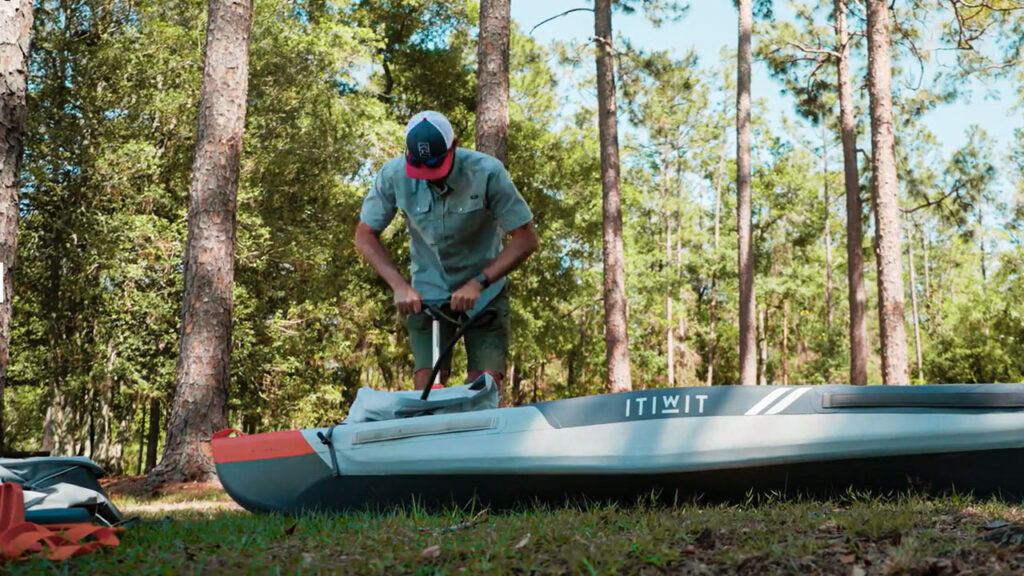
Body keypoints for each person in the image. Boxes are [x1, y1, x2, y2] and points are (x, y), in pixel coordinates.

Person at [355, 110, 539, 393]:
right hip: (427, 296)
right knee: (429, 385)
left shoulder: (487, 172)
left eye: (436, 165)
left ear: (454, 146)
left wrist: (479, 282)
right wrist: (399, 286)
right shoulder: (392, 175)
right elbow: (365, 235)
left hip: (485, 294)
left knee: (484, 386)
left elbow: (526, 238)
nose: (429, 177)